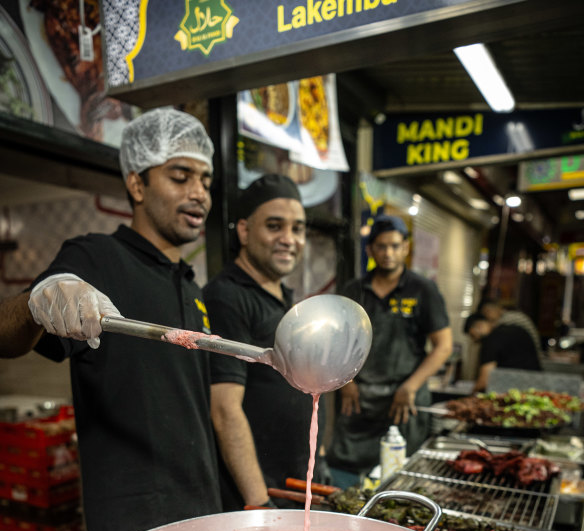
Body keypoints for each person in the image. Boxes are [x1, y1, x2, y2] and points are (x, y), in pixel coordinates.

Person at [0, 107, 222, 531]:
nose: (199, 193)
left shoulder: (189, 282)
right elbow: (6, 337)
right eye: (181, 176)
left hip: (202, 510)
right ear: (137, 184)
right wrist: (36, 301)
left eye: (206, 180)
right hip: (134, 527)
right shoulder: (97, 258)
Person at [203, 173, 323, 510]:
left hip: (296, 478)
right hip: (262, 493)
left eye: (297, 228)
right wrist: (258, 500)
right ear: (243, 231)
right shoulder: (227, 297)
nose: (289, 239)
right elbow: (224, 408)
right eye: (274, 226)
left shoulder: (283, 295)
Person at [326, 214, 453, 487]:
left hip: (404, 401)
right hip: (359, 399)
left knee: (402, 478)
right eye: (381, 246)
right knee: (347, 478)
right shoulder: (354, 290)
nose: (388, 253)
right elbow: (337, 342)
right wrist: (345, 381)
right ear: (370, 250)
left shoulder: (423, 289)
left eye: (395, 246)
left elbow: (443, 347)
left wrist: (411, 387)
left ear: (406, 248)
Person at [465, 312, 542, 392]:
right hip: (538, 386)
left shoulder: (490, 340)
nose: (475, 341)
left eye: (473, 336)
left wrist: (470, 395)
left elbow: (484, 382)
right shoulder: (513, 329)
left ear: (479, 326)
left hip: (518, 390)